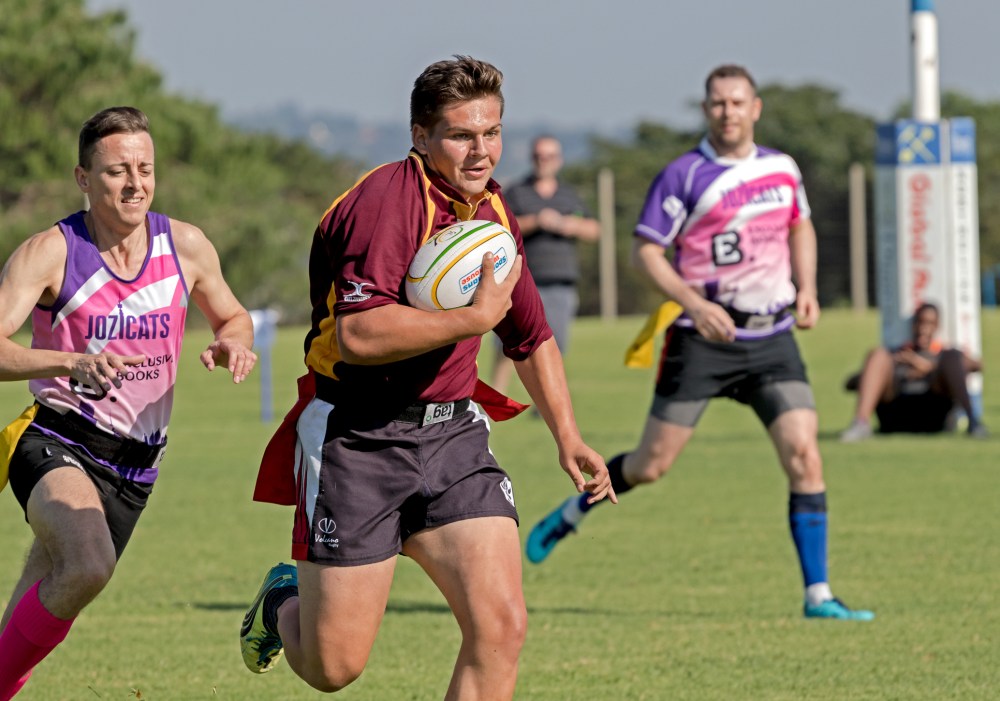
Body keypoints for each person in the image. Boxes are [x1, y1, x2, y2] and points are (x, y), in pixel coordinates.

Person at [240, 56, 615, 699]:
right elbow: (359, 336)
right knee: (334, 668)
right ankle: (281, 603)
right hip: (357, 441)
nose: (481, 151)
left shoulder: (495, 213)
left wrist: (568, 435)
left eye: (492, 132)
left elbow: (529, 335)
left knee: (501, 627)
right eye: (461, 135)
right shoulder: (384, 203)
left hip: (452, 441)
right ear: (420, 136)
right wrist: (470, 318)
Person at [526, 64, 875, 621]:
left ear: (755, 107)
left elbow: (799, 225)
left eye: (737, 102)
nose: (728, 112)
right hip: (702, 341)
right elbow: (646, 251)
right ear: (706, 109)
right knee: (649, 466)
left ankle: (819, 596)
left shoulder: (782, 169)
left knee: (806, 457)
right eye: (717, 103)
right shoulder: (684, 174)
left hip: (772, 339)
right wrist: (695, 304)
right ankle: (572, 512)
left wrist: (806, 288)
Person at [0, 106, 257, 699]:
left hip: (136, 466)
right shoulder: (51, 252)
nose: (135, 183)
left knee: (46, 591)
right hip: (58, 438)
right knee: (88, 564)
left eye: (145, 168)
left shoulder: (185, 245)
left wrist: (232, 344)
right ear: (84, 179)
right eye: (117, 171)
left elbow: (234, 315)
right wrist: (70, 361)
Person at [490, 135, 600, 393]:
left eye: (549, 156)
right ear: (532, 158)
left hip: (560, 282)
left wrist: (569, 225)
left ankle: (548, 400)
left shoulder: (569, 194)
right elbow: (500, 227)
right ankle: (497, 395)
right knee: (507, 343)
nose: (544, 161)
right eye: (539, 156)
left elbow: (594, 229)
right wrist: (537, 221)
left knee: (555, 344)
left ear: (558, 160)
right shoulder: (517, 192)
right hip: (521, 280)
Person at [840, 302, 987, 441]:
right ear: (913, 325)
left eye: (929, 323)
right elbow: (849, 384)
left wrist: (928, 367)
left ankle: (973, 423)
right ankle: (860, 423)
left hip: (933, 411)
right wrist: (889, 372)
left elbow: (977, 366)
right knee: (878, 354)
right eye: (920, 322)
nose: (923, 328)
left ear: (937, 326)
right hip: (894, 412)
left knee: (953, 356)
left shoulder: (944, 356)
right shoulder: (898, 354)